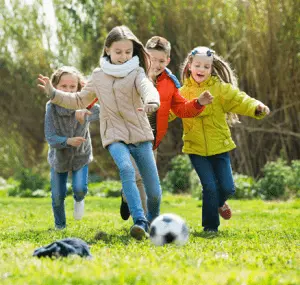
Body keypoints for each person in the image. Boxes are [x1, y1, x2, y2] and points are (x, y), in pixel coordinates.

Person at [39, 26, 164, 240]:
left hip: (140, 135)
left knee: (153, 191)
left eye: (128, 52)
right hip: (114, 134)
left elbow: (147, 88)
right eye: (118, 52)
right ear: (107, 50)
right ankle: (140, 221)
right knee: (126, 169)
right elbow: (79, 100)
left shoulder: (137, 72)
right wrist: (53, 93)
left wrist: (153, 101)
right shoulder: (98, 76)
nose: (123, 57)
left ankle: (153, 220)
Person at [175, 46, 270, 233]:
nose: (201, 69)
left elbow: (240, 100)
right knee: (209, 187)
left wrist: (256, 107)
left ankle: (219, 203)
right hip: (196, 149)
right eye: (198, 65)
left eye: (206, 66)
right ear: (189, 66)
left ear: (212, 68)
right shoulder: (182, 93)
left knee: (227, 187)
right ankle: (210, 228)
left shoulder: (220, 89)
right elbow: (170, 111)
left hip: (220, 146)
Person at [119, 36, 213, 220]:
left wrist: (198, 103)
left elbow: (181, 109)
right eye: (152, 59)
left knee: (146, 181)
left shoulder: (170, 82)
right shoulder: (128, 74)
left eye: (161, 60)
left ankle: (126, 196)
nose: (157, 64)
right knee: (137, 178)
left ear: (168, 60)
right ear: (144, 56)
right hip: (127, 136)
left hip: (151, 142)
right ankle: (144, 222)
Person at [44, 66, 100, 230]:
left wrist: (85, 110)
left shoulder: (86, 104)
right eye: (63, 86)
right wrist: (68, 141)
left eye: (72, 87)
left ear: (78, 88)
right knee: (57, 195)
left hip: (80, 155)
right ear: (55, 87)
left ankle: (79, 198)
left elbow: (103, 112)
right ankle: (60, 225)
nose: (68, 91)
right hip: (59, 157)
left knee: (80, 188)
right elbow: (50, 137)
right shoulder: (51, 107)